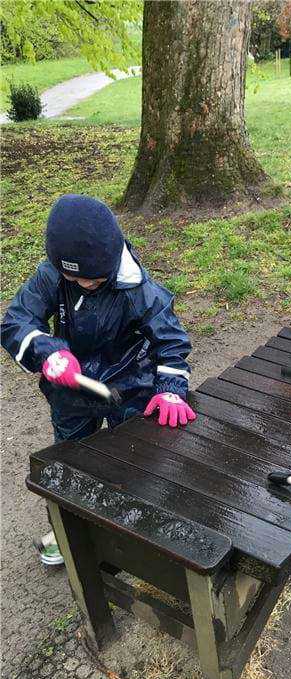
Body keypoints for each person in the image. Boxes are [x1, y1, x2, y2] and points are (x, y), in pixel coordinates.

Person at [2, 194, 196, 565]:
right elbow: (15, 322)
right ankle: (75, 527)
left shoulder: (135, 287)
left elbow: (170, 340)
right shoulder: (50, 277)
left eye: (93, 277)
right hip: (71, 390)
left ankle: (136, 523)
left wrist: (171, 388)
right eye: (74, 277)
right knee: (72, 457)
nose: (84, 284)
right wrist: (47, 351)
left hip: (129, 384)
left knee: (136, 455)